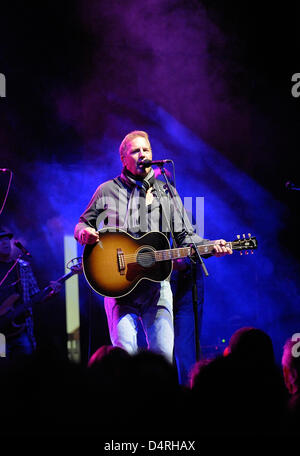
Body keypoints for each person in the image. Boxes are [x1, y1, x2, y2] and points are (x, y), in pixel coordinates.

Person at [74, 130, 232, 363]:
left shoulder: (166, 193)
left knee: (163, 359)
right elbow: (82, 224)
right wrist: (84, 233)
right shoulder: (107, 190)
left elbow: (186, 239)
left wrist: (211, 246)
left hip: (157, 288)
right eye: (135, 151)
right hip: (118, 287)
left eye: (146, 150)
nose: (142, 155)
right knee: (124, 358)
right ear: (123, 158)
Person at [0, 227, 61, 360]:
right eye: (0, 240)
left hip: (20, 330)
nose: (5, 243)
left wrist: (52, 293)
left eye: (6, 239)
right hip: (1, 335)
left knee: (24, 370)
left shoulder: (22, 267)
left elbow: (36, 297)